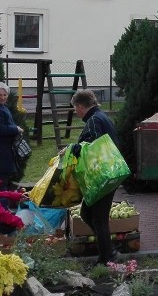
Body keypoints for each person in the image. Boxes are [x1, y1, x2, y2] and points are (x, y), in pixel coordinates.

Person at [70, 89, 119, 266]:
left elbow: (90, 147)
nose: (75, 112)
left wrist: (72, 149)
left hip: (102, 176)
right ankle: (107, 249)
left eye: (75, 108)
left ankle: (107, 256)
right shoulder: (100, 117)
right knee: (87, 213)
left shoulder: (94, 120)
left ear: (81, 106)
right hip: (109, 174)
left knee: (98, 218)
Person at [0, 82, 24, 190]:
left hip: (5, 148)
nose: (2, 97)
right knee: (1, 180)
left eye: (5, 95)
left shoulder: (0, 106)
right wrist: (15, 129)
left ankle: (4, 203)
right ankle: (1, 204)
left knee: (5, 179)